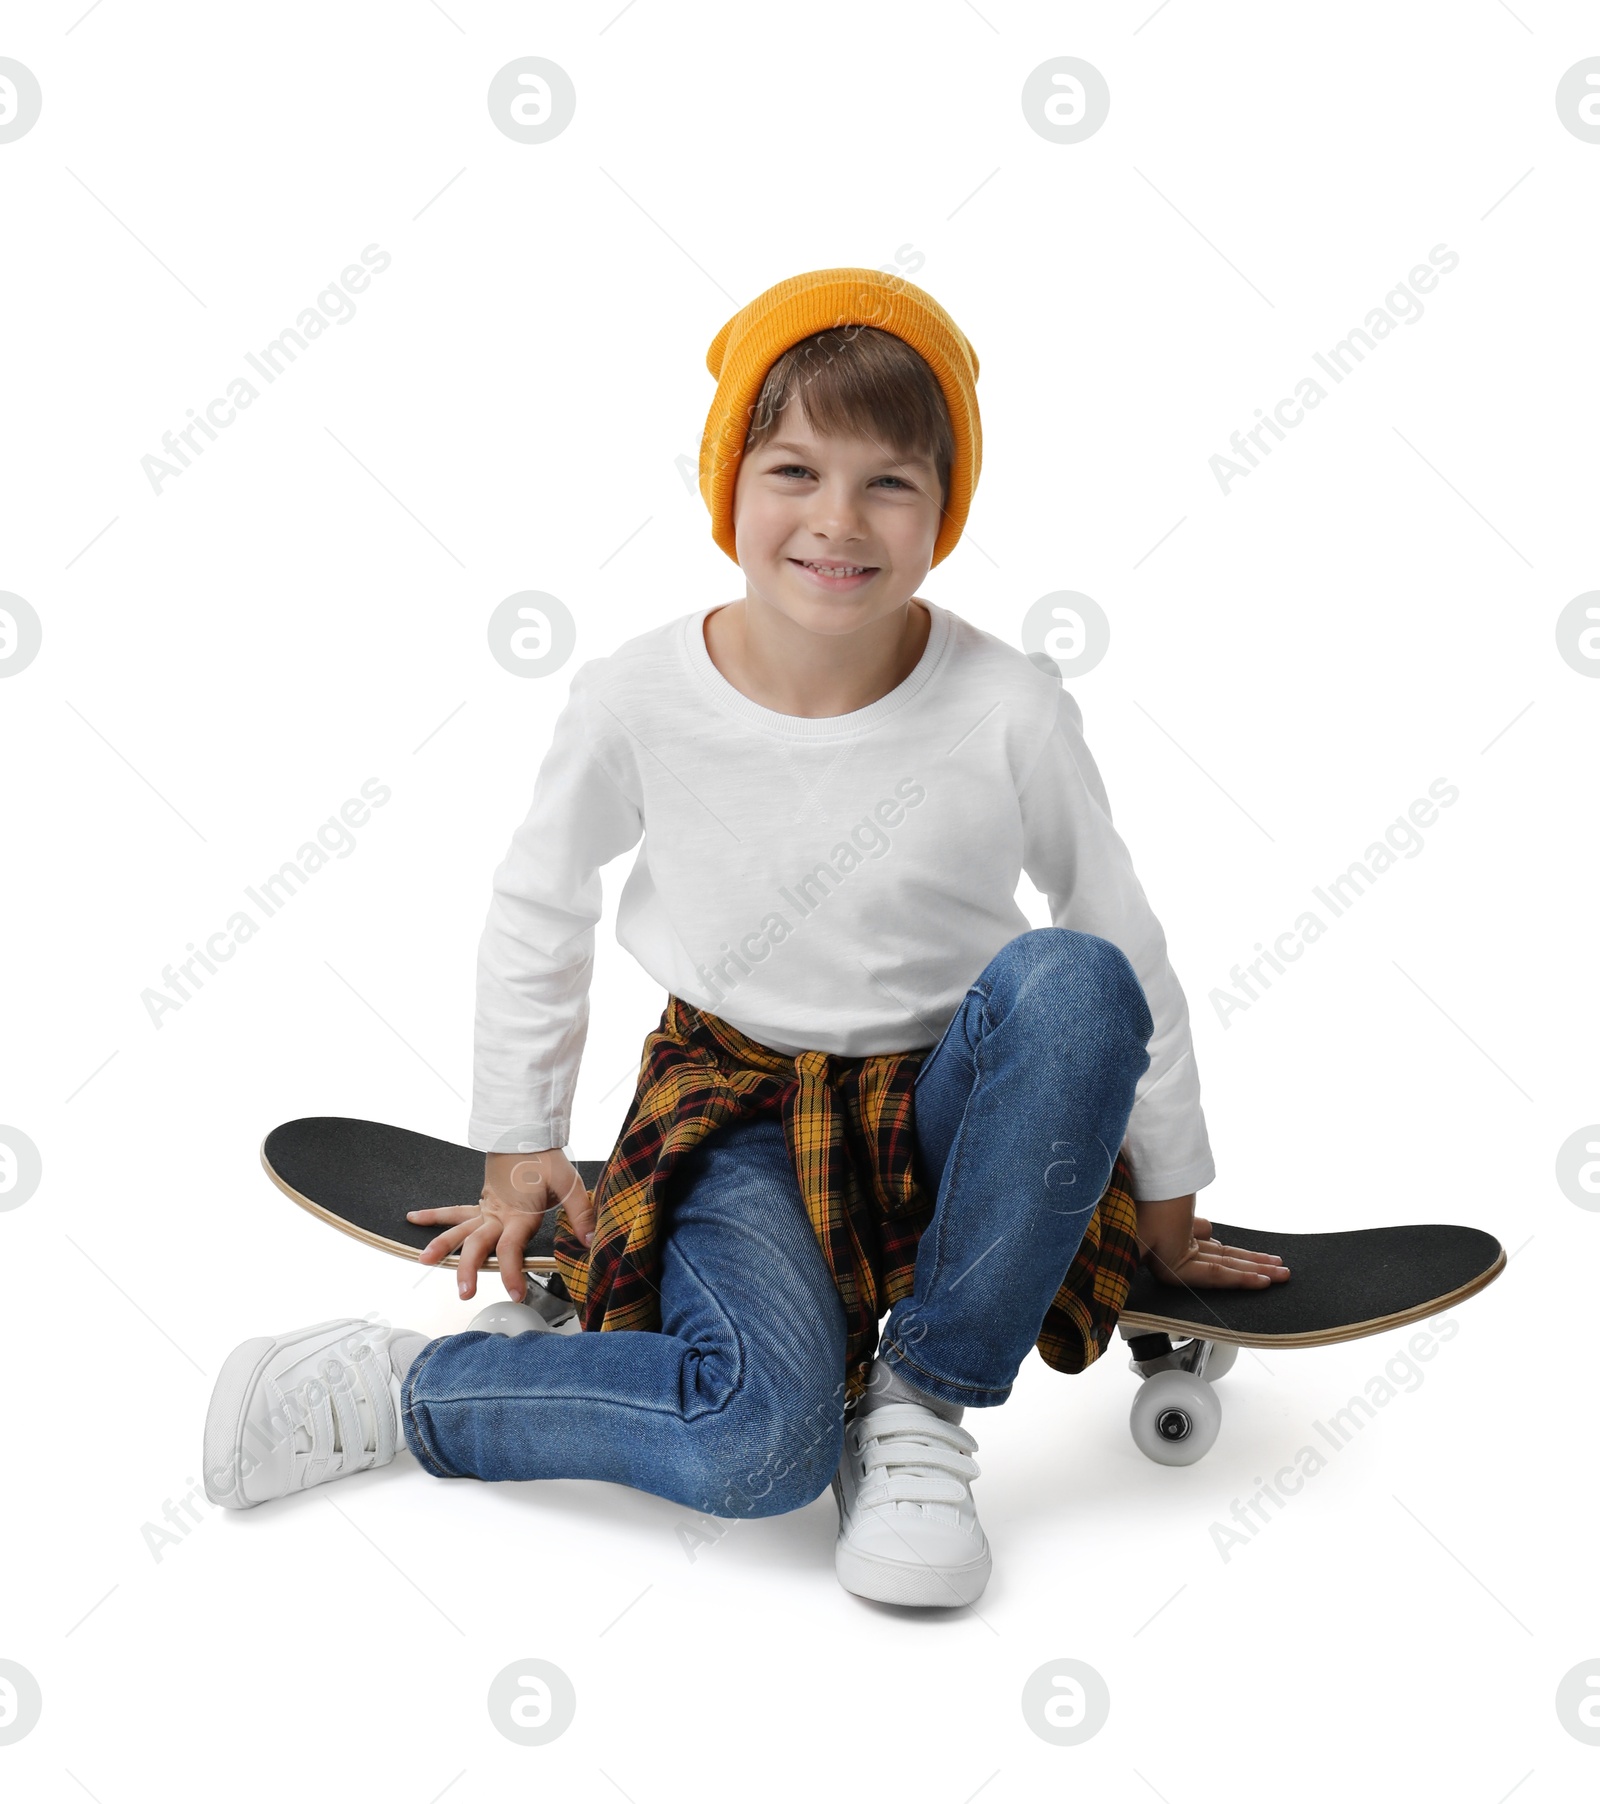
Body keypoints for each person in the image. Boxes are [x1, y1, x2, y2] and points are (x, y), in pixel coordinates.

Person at [203, 267, 1288, 1608]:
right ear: (728, 486)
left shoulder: (1010, 705)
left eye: (890, 481)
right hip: (745, 1120)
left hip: (958, 1112)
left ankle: (916, 1410)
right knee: (758, 1443)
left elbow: (1116, 934)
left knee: (1075, 981)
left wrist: (1168, 1202)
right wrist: (520, 1142)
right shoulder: (638, 697)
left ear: (945, 510)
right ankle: (409, 1385)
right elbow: (541, 900)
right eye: (793, 470)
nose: (838, 522)